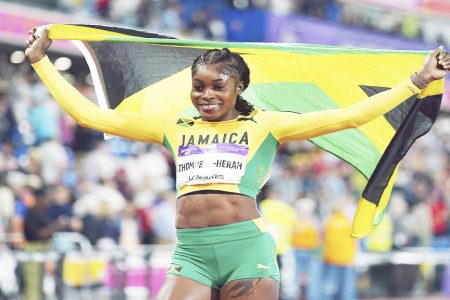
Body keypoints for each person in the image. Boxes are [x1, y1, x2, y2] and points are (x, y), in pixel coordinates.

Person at [25, 26, 449, 300]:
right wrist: (41, 62)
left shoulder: (267, 124)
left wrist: (416, 81)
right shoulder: (173, 126)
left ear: (240, 85)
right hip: (189, 253)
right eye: (198, 86)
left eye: (218, 86)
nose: (206, 94)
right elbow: (90, 117)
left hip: (246, 251)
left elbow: (351, 116)